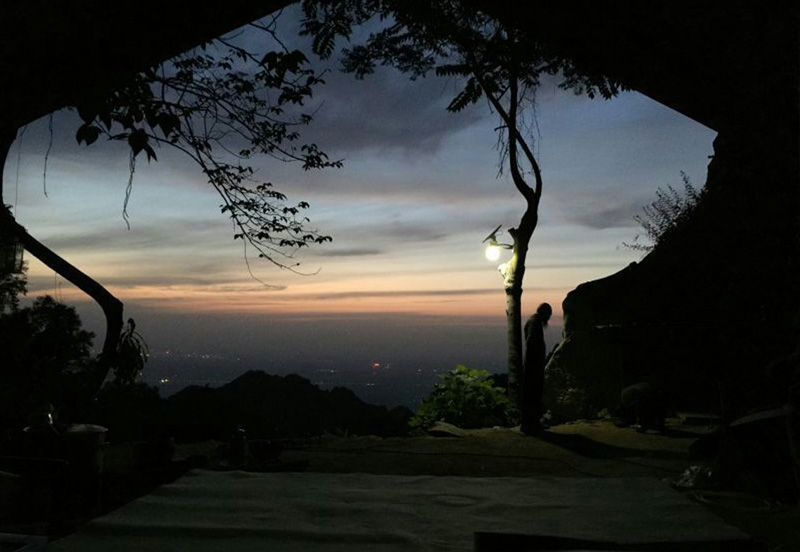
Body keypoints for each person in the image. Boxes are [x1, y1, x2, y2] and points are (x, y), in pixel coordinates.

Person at [522, 303, 552, 434]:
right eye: (548, 315)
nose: (549, 318)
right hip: (533, 366)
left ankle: (531, 423)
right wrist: (536, 361)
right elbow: (532, 343)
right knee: (533, 394)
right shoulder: (535, 323)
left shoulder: (534, 322)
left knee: (532, 394)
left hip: (532, 364)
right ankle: (530, 424)